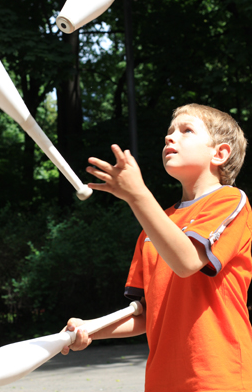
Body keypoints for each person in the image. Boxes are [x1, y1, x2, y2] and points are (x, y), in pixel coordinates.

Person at [61, 103, 252, 392]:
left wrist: (137, 195)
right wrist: (90, 328)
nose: (170, 137)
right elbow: (143, 315)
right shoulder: (155, 224)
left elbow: (187, 261)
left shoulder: (230, 200)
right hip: (162, 381)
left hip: (217, 376)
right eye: (169, 131)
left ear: (220, 154)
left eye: (186, 130)